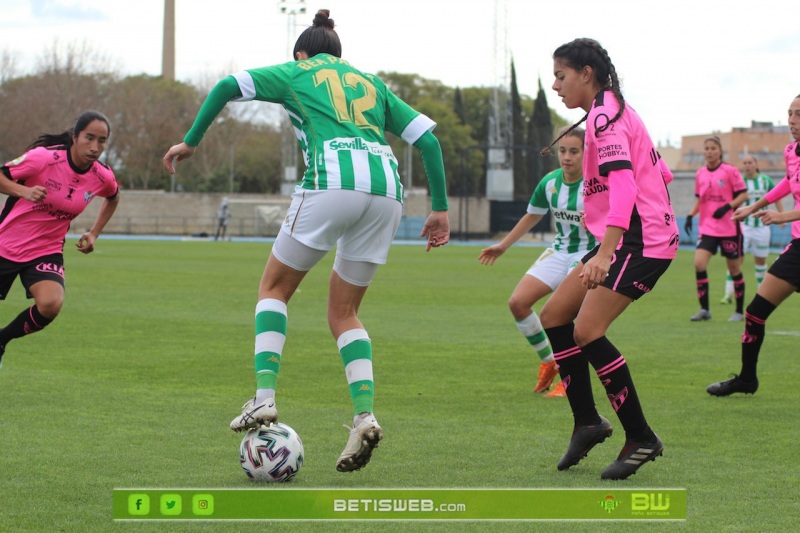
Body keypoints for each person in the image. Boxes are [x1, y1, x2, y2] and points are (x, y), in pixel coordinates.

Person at [162, 10, 449, 473]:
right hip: (387, 192)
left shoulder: (297, 71)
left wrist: (191, 142)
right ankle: (363, 416)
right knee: (345, 312)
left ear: (301, 53)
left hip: (332, 180)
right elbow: (429, 143)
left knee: (273, 289)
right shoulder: (370, 82)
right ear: (339, 54)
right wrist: (438, 209)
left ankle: (264, 397)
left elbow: (225, 87)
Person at [538, 38, 678, 480]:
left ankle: (640, 437)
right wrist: (599, 208)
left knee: (587, 330)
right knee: (555, 316)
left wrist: (605, 247)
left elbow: (625, 186)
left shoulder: (604, 115)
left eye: (561, 76)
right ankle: (587, 422)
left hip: (640, 241)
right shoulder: (614, 109)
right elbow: (660, 172)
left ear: (586, 73)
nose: (556, 85)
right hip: (629, 234)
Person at [479, 127, 593, 398]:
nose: (566, 157)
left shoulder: (596, 184)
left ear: (587, 153)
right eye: (562, 151)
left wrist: (597, 221)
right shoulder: (551, 183)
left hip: (589, 253)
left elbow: (618, 220)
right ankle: (550, 360)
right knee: (517, 303)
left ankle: (570, 377)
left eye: (574, 151)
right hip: (560, 249)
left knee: (563, 316)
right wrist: (502, 245)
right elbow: (532, 216)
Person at [0, 110, 120, 369]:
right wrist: (24, 191)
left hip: (46, 250)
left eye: (102, 141)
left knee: (51, 304)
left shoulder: (102, 176)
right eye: (89, 138)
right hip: (5, 244)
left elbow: (113, 195)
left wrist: (95, 232)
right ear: (75, 136)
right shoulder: (43, 159)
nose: (95, 147)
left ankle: (1, 340)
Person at [707, 94, 800, 397]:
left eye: (798, 114)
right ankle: (747, 379)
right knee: (755, 312)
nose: (792, 121)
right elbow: (788, 183)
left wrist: (782, 215)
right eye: (789, 114)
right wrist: (752, 207)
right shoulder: (791, 151)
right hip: (798, 249)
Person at [684, 136, 748, 322]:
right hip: (708, 228)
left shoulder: (730, 171)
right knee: (699, 264)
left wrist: (727, 207)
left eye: (713, 148)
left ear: (720, 151)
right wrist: (690, 215)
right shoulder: (700, 173)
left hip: (729, 228)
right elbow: (700, 199)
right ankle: (705, 310)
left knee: (734, 269)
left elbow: (743, 195)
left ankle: (738, 311)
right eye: (707, 148)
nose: (709, 151)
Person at [719, 155, 783, 303]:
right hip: (743, 227)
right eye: (745, 163)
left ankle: (762, 294)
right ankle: (728, 294)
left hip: (762, 227)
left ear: (756, 164)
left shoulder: (765, 181)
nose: (747, 165)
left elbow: (777, 196)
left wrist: (780, 216)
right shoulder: (739, 182)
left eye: (750, 162)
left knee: (760, 261)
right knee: (735, 261)